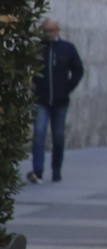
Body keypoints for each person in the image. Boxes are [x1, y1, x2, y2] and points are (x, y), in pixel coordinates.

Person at [29, 18, 84, 184]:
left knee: (58, 136)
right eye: (45, 31)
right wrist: (31, 85)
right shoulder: (37, 49)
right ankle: (37, 171)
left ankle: (56, 170)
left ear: (58, 30)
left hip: (60, 101)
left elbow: (78, 70)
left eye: (51, 30)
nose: (48, 34)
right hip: (41, 99)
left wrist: (67, 88)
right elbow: (28, 68)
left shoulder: (67, 48)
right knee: (39, 134)